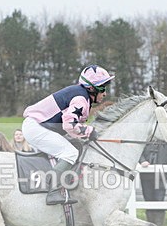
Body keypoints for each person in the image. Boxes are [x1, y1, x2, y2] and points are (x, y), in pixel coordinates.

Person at [22, 64, 112, 205]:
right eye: (102, 88)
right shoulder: (81, 99)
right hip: (36, 128)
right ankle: (53, 192)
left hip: (38, 126)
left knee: (74, 147)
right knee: (69, 153)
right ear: (91, 88)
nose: (105, 93)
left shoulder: (81, 95)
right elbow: (69, 125)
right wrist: (89, 131)